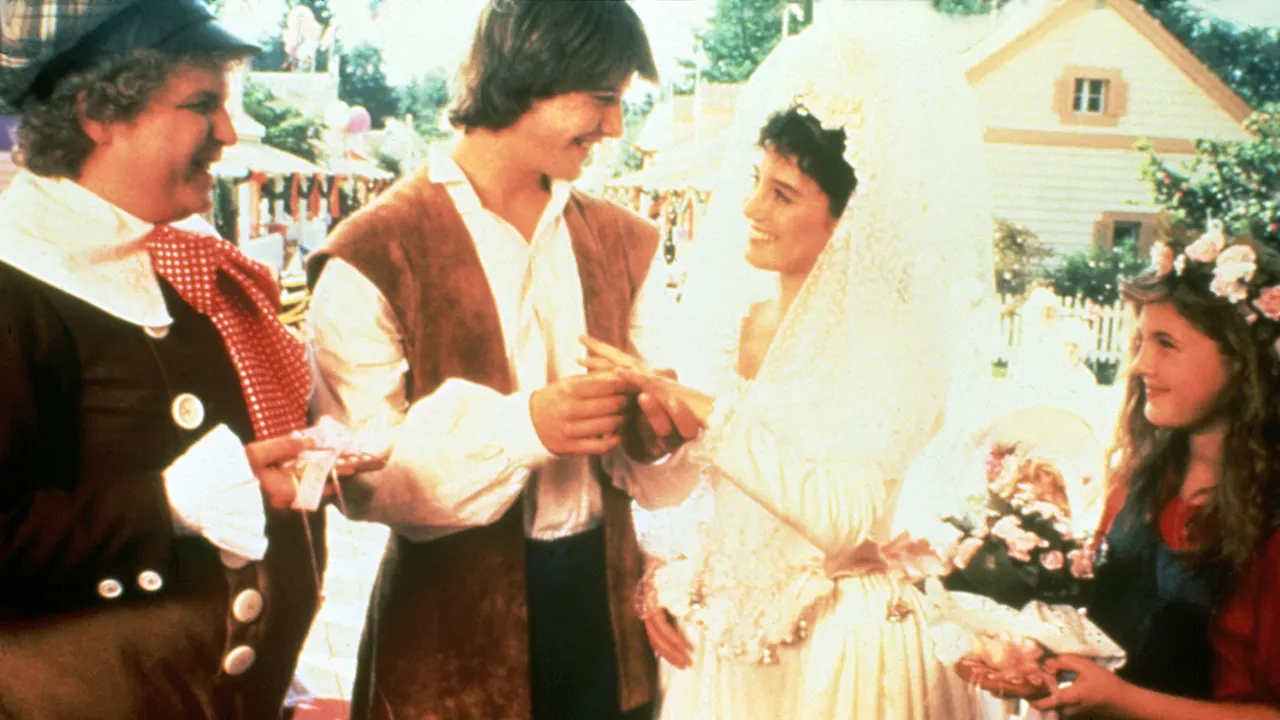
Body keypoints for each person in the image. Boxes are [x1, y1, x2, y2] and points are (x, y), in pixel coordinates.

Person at [608, 9, 995, 718]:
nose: (751, 208)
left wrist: (712, 417)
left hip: (839, 651)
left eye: (782, 194)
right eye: (756, 181)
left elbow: (844, 519)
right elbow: (697, 493)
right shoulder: (736, 325)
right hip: (724, 647)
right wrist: (663, 550)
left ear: (850, 221)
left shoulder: (894, 343)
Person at [306, 1, 687, 718]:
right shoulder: (373, 251)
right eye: (601, 98)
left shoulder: (626, 242)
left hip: (608, 625)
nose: (615, 127)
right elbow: (359, 475)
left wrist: (658, 432)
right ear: (531, 73)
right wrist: (523, 430)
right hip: (446, 641)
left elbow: (660, 468)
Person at [0, 0, 363, 716]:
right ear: (97, 115)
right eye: (203, 105)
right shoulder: (17, 282)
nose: (228, 131)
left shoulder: (179, 263)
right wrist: (165, 505)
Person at [1031, 225, 1280, 718]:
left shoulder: (1270, 524)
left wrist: (1122, 700)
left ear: (1242, 362)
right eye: (1141, 341)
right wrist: (1040, 664)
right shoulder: (1139, 481)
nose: (1140, 365)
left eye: (1166, 343)